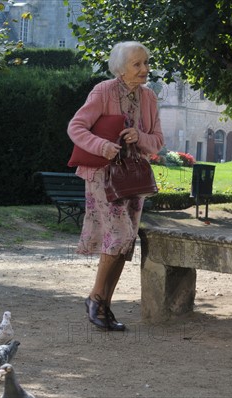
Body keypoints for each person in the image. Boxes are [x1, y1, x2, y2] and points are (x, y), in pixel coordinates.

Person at [67, 41, 164, 331]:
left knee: (126, 240)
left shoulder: (149, 98)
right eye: (138, 64)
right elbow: (76, 127)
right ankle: (95, 298)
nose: (145, 69)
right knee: (119, 235)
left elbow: (158, 139)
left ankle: (105, 306)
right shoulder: (103, 91)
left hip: (134, 177)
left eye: (146, 62)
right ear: (121, 69)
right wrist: (102, 146)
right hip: (103, 175)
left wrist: (140, 137)